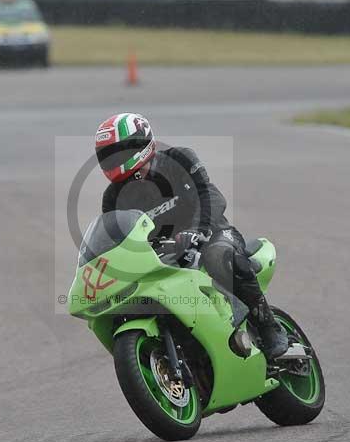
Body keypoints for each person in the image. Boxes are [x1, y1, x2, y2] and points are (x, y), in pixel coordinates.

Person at [94, 112, 288, 360]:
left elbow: (210, 197)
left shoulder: (179, 159)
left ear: (140, 143)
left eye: (119, 152)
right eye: (108, 155)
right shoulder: (112, 197)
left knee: (218, 255)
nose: (113, 160)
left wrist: (198, 231)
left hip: (213, 233)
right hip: (161, 257)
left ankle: (268, 327)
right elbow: (117, 240)